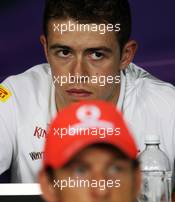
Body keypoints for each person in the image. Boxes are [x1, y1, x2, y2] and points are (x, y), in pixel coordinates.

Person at [0, 0, 175, 183]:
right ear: (45, 48)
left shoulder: (168, 107)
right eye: (64, 52)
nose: (77, 74)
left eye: (96, 55)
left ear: (125, 55)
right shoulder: (15, 96)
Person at [0, 100, 175, 202]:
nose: (101, 189)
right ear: (49, 186)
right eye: (80, 171)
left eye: (115, 169)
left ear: (137, 180)